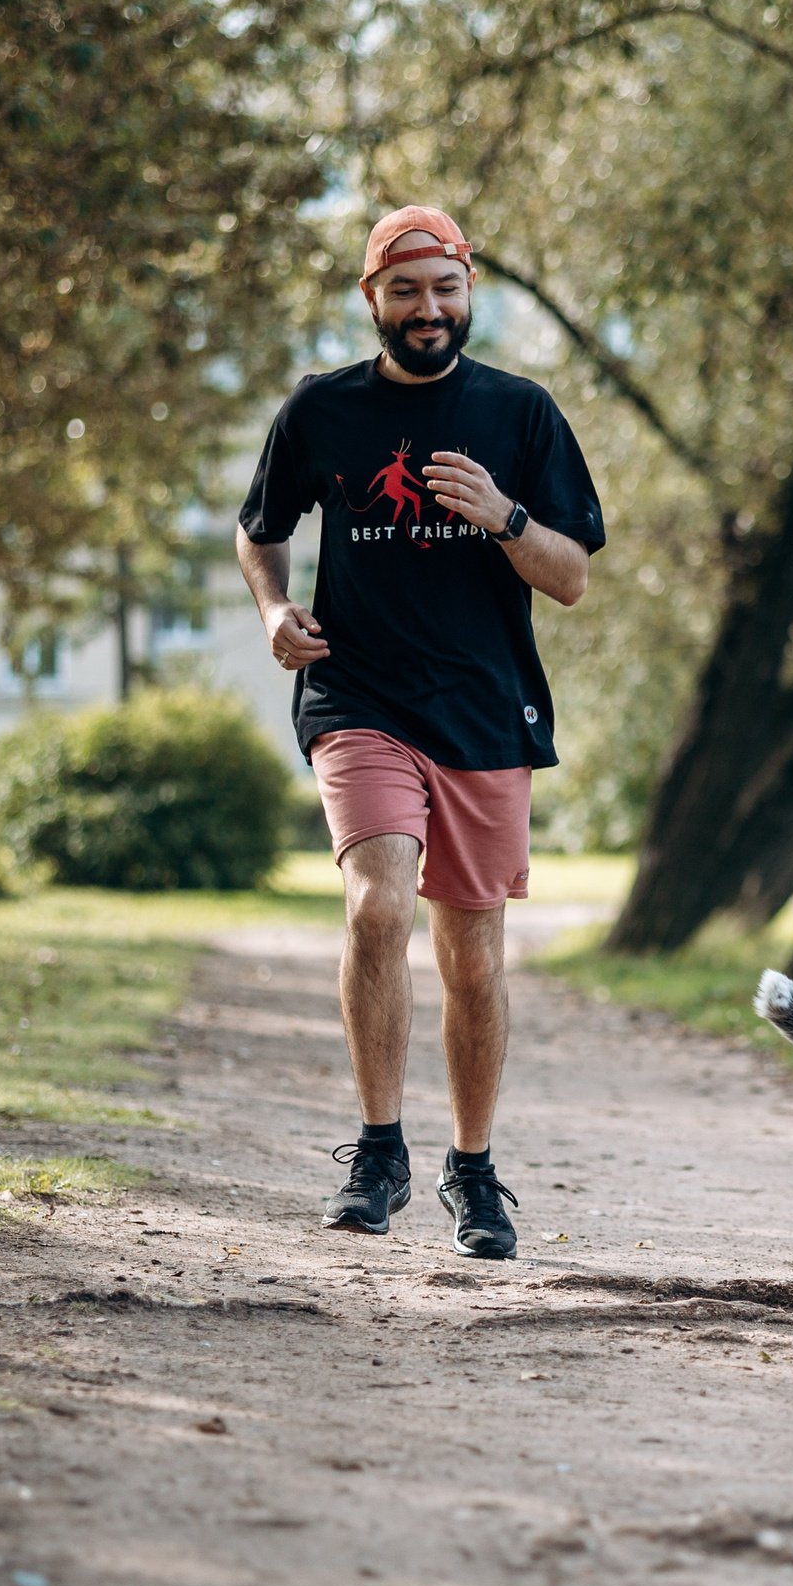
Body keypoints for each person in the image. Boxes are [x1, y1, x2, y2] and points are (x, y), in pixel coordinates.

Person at [235, 205, 604, 1257]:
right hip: (358, 696)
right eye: (405, 290)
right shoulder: (321, 411)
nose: (427, 309)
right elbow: (259, 530)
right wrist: (273, 610)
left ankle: (473, 1170)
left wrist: (506, 517)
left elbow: (571, 577)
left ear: (469, 291)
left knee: (474, 955)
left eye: (444, 288)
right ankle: (379, 1147)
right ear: (372, 300)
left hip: (485, 709)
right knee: (376, 905)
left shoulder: (521, 415)